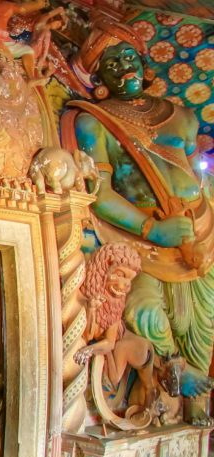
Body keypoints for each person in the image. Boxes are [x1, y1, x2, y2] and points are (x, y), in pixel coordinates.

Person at [64, 19, 214, 421]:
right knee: (144, 312)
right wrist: (155, 229)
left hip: (199, 234)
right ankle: (170, 370)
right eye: (111, 62)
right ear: (99, 76)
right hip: (143, 240)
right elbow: (103, 194)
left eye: (129, 56)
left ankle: (194, 401)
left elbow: (196, 173)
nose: (123, 67)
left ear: (143, 64)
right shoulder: (93, 122)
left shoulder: (182, 116)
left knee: (203, 323)